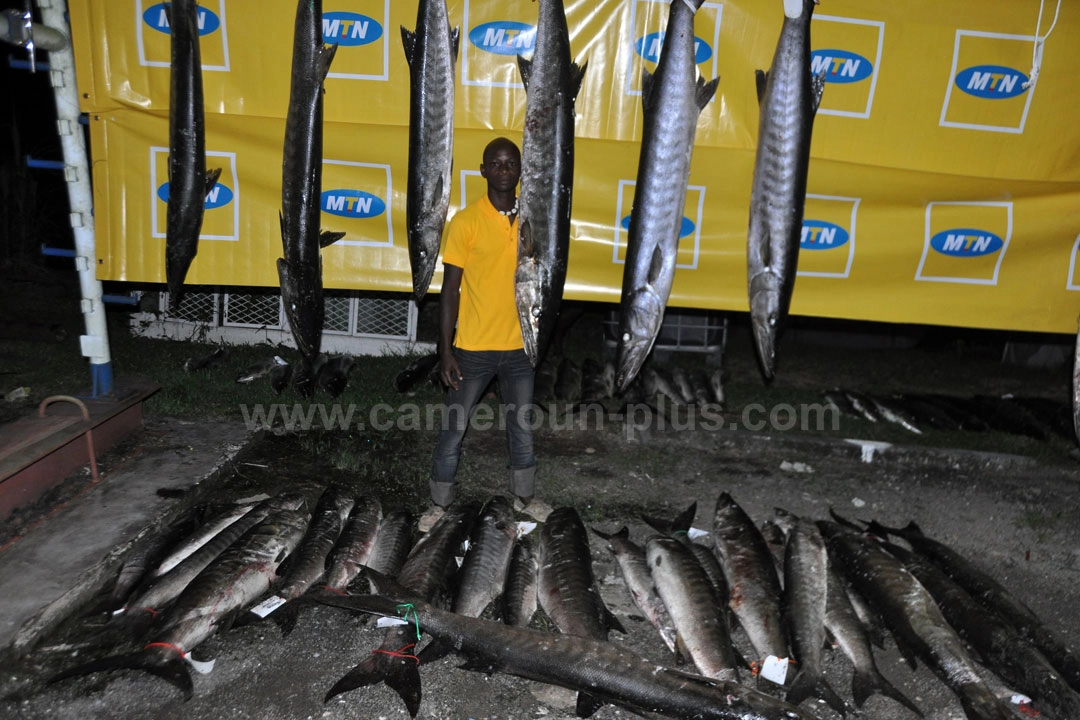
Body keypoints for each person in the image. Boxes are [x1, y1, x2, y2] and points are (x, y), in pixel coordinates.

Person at [421, 137, 551, 531]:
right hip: (473, 348)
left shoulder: (533, 222)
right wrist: (445, 351)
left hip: (519, 348)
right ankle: (439, 504)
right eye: (495, 164)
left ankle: (525, 497)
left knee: (521, 426)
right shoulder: (466, 222)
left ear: (520, 171)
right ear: (483, 171)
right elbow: (449, 291)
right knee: (454, 429)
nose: (503, 170)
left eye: (510, 164)